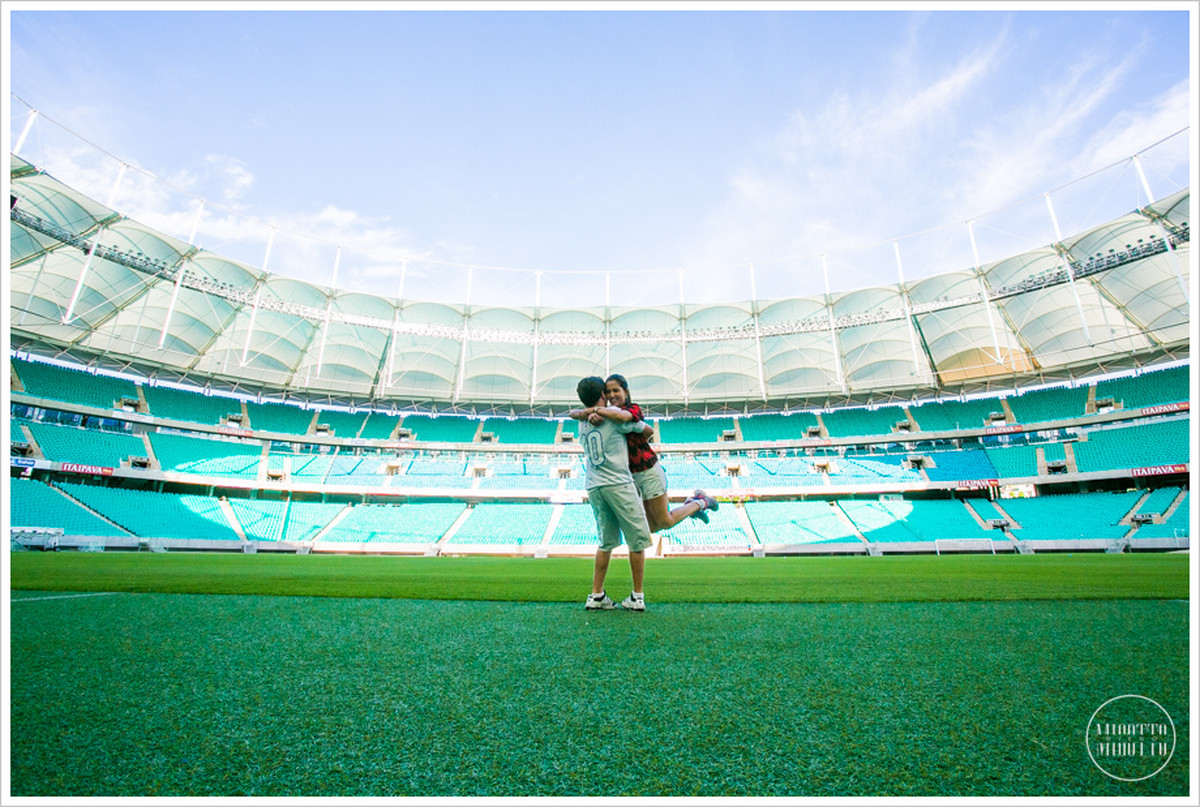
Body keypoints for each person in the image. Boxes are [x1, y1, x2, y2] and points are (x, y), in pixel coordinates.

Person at [573, 373, 719, 534]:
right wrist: (590, 413)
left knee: (665, 521)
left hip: (647, 471)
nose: (611, 395)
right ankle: (691, 506)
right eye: (608, 392)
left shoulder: (631, 409)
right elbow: (573, 413)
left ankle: (702, 502)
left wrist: (594, 411)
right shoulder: (605, 413)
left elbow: (647, 430)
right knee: (650, 528)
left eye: (616, 390)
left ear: (626, 392)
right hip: (628, 478)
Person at [570, 376, 656, 612]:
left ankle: (596, 595)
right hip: (618, 483)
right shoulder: (613, 418)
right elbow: (647, 430)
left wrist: (590, 412)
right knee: (637, 540)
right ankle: (637, 596)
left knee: (605, 542)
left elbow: (574, 413)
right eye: (605, 392)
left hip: (594, 486)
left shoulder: (582, 421)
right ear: (601, 395)